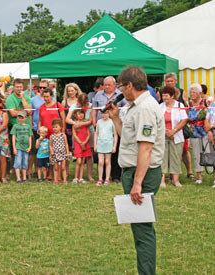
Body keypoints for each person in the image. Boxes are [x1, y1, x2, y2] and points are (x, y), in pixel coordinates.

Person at [108, 66, 164, 275]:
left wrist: (138, 182)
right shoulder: (135, 106)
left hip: (143, 173)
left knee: (142, 229)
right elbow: (131, 140)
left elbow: (146, 147)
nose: (120, 90)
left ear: (130, 85)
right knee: (139, 227)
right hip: (134, 171)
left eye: (121, 86)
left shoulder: (145, 108)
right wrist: (115, 119)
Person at [92, 76, 128, 183]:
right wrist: (94, 122)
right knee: (102, 151)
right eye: (105, 85)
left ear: (114, 85)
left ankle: (116, 176)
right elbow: (94, 110)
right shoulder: (98, 94)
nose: (106, 87)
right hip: (102, 127)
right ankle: (102, 176)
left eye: (109, 85)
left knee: (115, 151)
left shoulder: (120, 95)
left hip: (115, 126)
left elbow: (125, 109)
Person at [160, 72, 193, 179]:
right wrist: (165, 131)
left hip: (178, 131)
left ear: (175, 81)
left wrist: (173, 131)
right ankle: (163, 178)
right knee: (164, 156)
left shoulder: (182, 93)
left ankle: (188, 172)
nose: (169, 83)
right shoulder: (160, 97)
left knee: (183, 151)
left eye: (171, 81)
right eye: (167, 81)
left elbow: (185, 115)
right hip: (164, 132)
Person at [159, 86, 188, 187]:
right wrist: (165, 131)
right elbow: (157, 120)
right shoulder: (160, 106)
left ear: (172, 96)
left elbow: (184, 120)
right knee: (162, 158)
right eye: (163, 96)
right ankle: (162, 180)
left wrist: (174, 131)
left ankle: (176, 180)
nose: (164, 98)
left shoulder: (179, 105)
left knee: (176, 157)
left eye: (166, 96)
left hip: (177, 136)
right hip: (163, 136)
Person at [67, 94, 95, 181]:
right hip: (78, 133)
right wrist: (75, 123)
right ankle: (77, 176)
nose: (83, 106)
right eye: (81, 104)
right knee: (79, 156)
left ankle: (89, 175)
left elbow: (91, 120)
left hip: (88, 131)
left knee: (89, 155)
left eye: (84, 104)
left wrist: (81, 123)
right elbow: (67, 119)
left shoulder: (90, 106)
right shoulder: (74, 106)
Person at [188, 83, 210, 184]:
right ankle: (199, 177)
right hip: (194, 133)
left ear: (200, 93)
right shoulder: (189, 104)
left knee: (209, 154)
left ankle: (213, 176)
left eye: (194, 92)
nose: (191, 94)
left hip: (205, 132)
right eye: (190, 92)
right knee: (196, 155)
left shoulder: (206, 103)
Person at [29, 80, 50, 180]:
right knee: (34, 151)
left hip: (47, 129)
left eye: (44, 88)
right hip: (36, 128)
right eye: (40, 87)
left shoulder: (51, 99)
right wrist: (32, 126)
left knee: (47, 149)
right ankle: (34, 171)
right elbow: (30, 114)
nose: (42, 89)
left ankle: (47, 171)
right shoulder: (33, 100)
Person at [94, 111, 117, 186]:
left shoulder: (112, 122)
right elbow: (96, 133)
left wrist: (114, 146)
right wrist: (95, 145)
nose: (104, 115)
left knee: (107, 161)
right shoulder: (99, 122)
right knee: (100, 162)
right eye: (102, 113)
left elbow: (115, 135)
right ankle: (100, 179)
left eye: (106, 113)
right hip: (100, 144)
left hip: (109, 144)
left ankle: (107, 179)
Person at [10, 110, 33, 184]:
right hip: (18, 147)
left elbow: (30, 137)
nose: (21, 119)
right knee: (18, 162)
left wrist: (30, 146)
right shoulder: (15, 126)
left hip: (26, 147)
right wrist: (14, 148)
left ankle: (24, 178)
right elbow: (13, 137)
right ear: (17, 118)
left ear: (25, 118)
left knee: (25, 162)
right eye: (19, 117)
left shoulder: (28, 126)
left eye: (22, 117)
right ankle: (18, 178)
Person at [72, 109, 92, 183]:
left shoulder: (85, 124)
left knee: (83, 161)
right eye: (79, 114)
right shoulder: (75, 124)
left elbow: (88, 134)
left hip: (85, 143)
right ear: (75, 115)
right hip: (78, 144)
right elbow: (74, 135)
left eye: (82, 113)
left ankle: (81, 177)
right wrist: (80, 143)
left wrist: (85, 142)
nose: (81, 115)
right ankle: (75, 177)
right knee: (79, 161)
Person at [62, 83, 81, 153]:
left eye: (72, 90)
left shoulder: (80, 101)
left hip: (78, 126)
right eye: (68, 91)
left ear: (76, 91)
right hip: (68, 127)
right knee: (68, 148)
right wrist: (63, 128)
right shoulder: (64, 102)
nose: (70, 92)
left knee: (78, 145)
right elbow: (62, 117)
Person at [49, 119, 70, 184]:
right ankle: (55, 180)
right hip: (55, 154)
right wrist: (51, 152)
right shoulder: (52, 136)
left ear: (60, 127)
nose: (54, 128)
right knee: (55, 168)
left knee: (63, 167)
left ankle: (65, 180)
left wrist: (68, 152)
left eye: (56, 127)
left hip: (63, 153)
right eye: (53, 127)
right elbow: (50, 145)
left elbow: (66, 144)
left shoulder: (63, 135)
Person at [204, 100, 215, 188]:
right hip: (212, 134)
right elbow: (207, 119)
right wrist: (209, 131)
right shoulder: (212, 105)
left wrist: (211, 127)